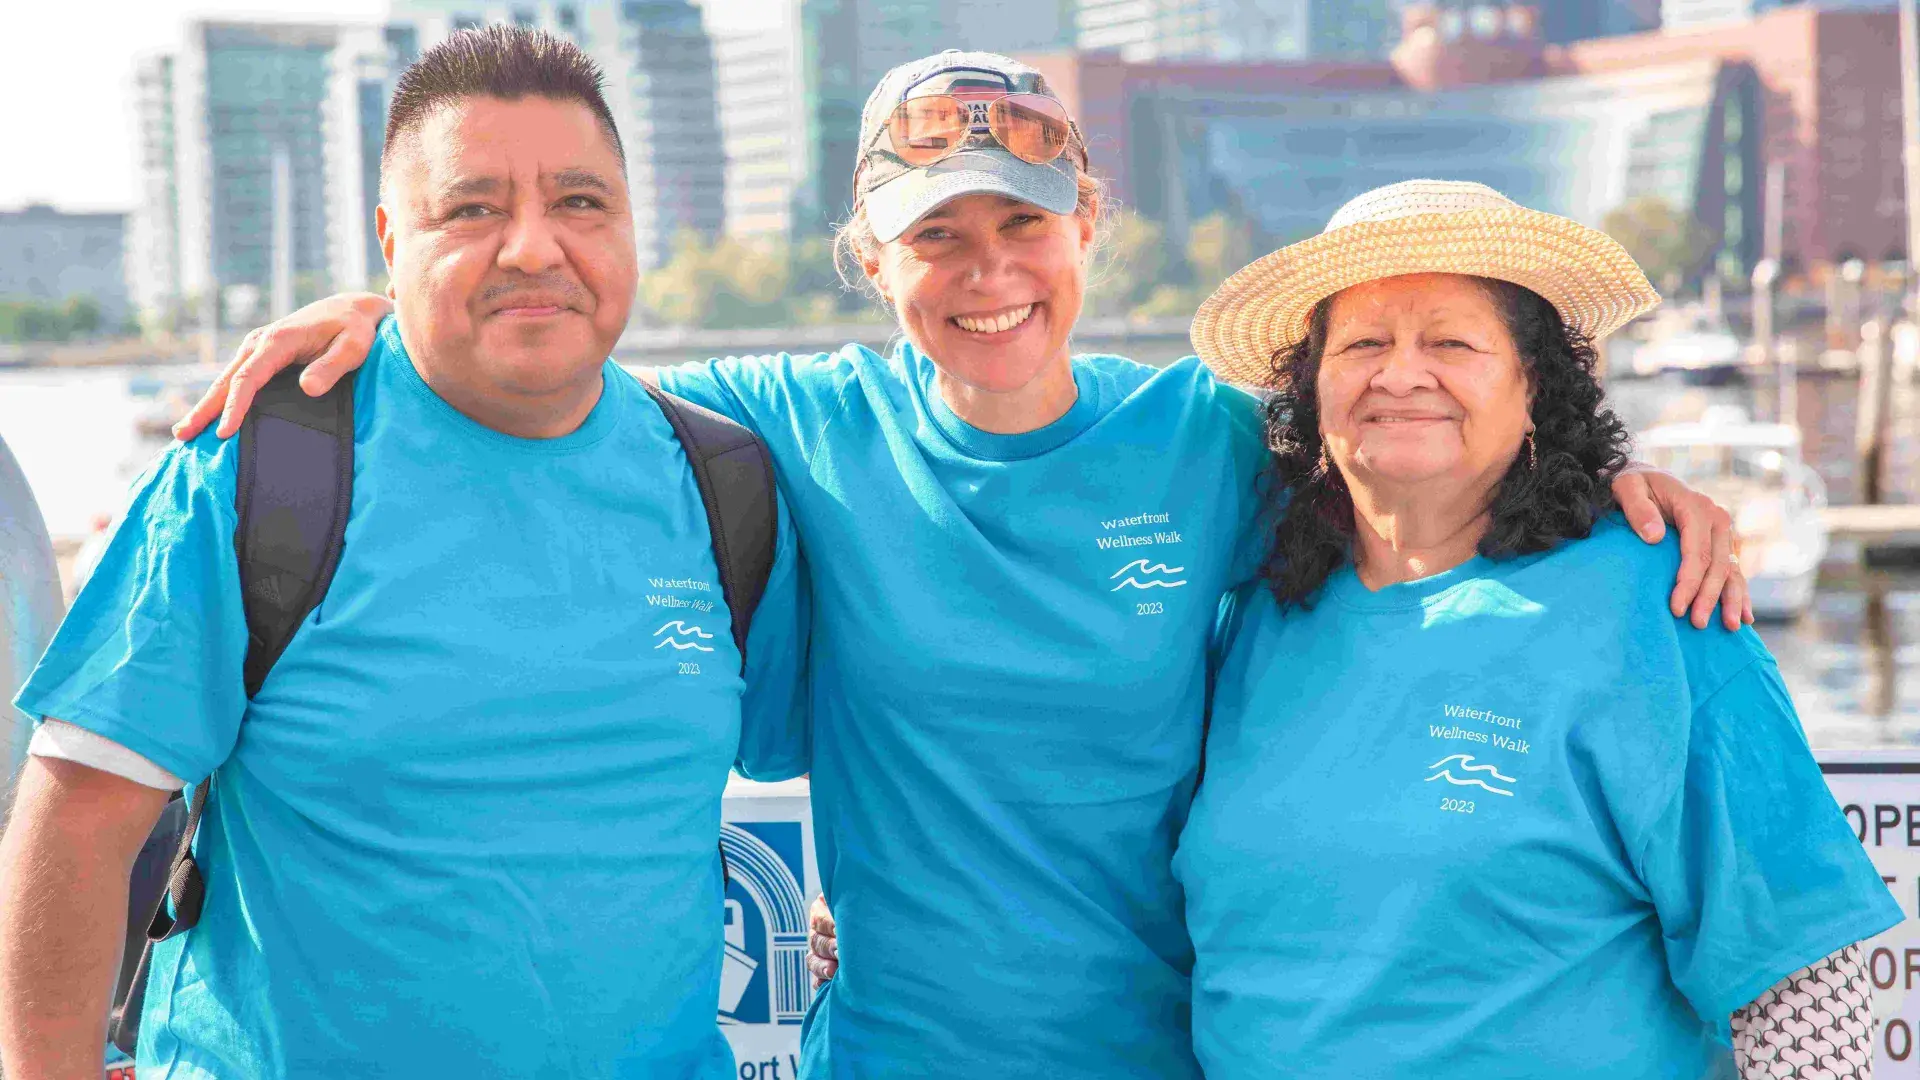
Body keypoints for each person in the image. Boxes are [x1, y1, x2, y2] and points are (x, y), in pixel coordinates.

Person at [174, 54, 1747, 1078]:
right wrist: (374, 315)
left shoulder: (1206, 441)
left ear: (1089, 235)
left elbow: (1425, 447)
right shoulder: (781, 424)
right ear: (872, 261)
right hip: (897, 1055)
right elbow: (541, 350)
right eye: (937, 237)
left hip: (1178, 1052)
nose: (988, 273)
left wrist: (1627, 483)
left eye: (1026, 224)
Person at [0, 27, 807, 1079]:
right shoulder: (261, 470)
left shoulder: (725, 478)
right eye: (472, 208)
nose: (532, 246)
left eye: (579, 202)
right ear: (391, 239)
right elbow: (75, 825)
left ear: (629, 228)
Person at [1176, 179, 1898, 1079]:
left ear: (1534, 392)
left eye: (1451, 342)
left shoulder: (1662, 604)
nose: (1401, 374)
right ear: (1312, 390)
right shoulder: (1249, 616)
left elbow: (1798, 978)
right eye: (1362, 343)